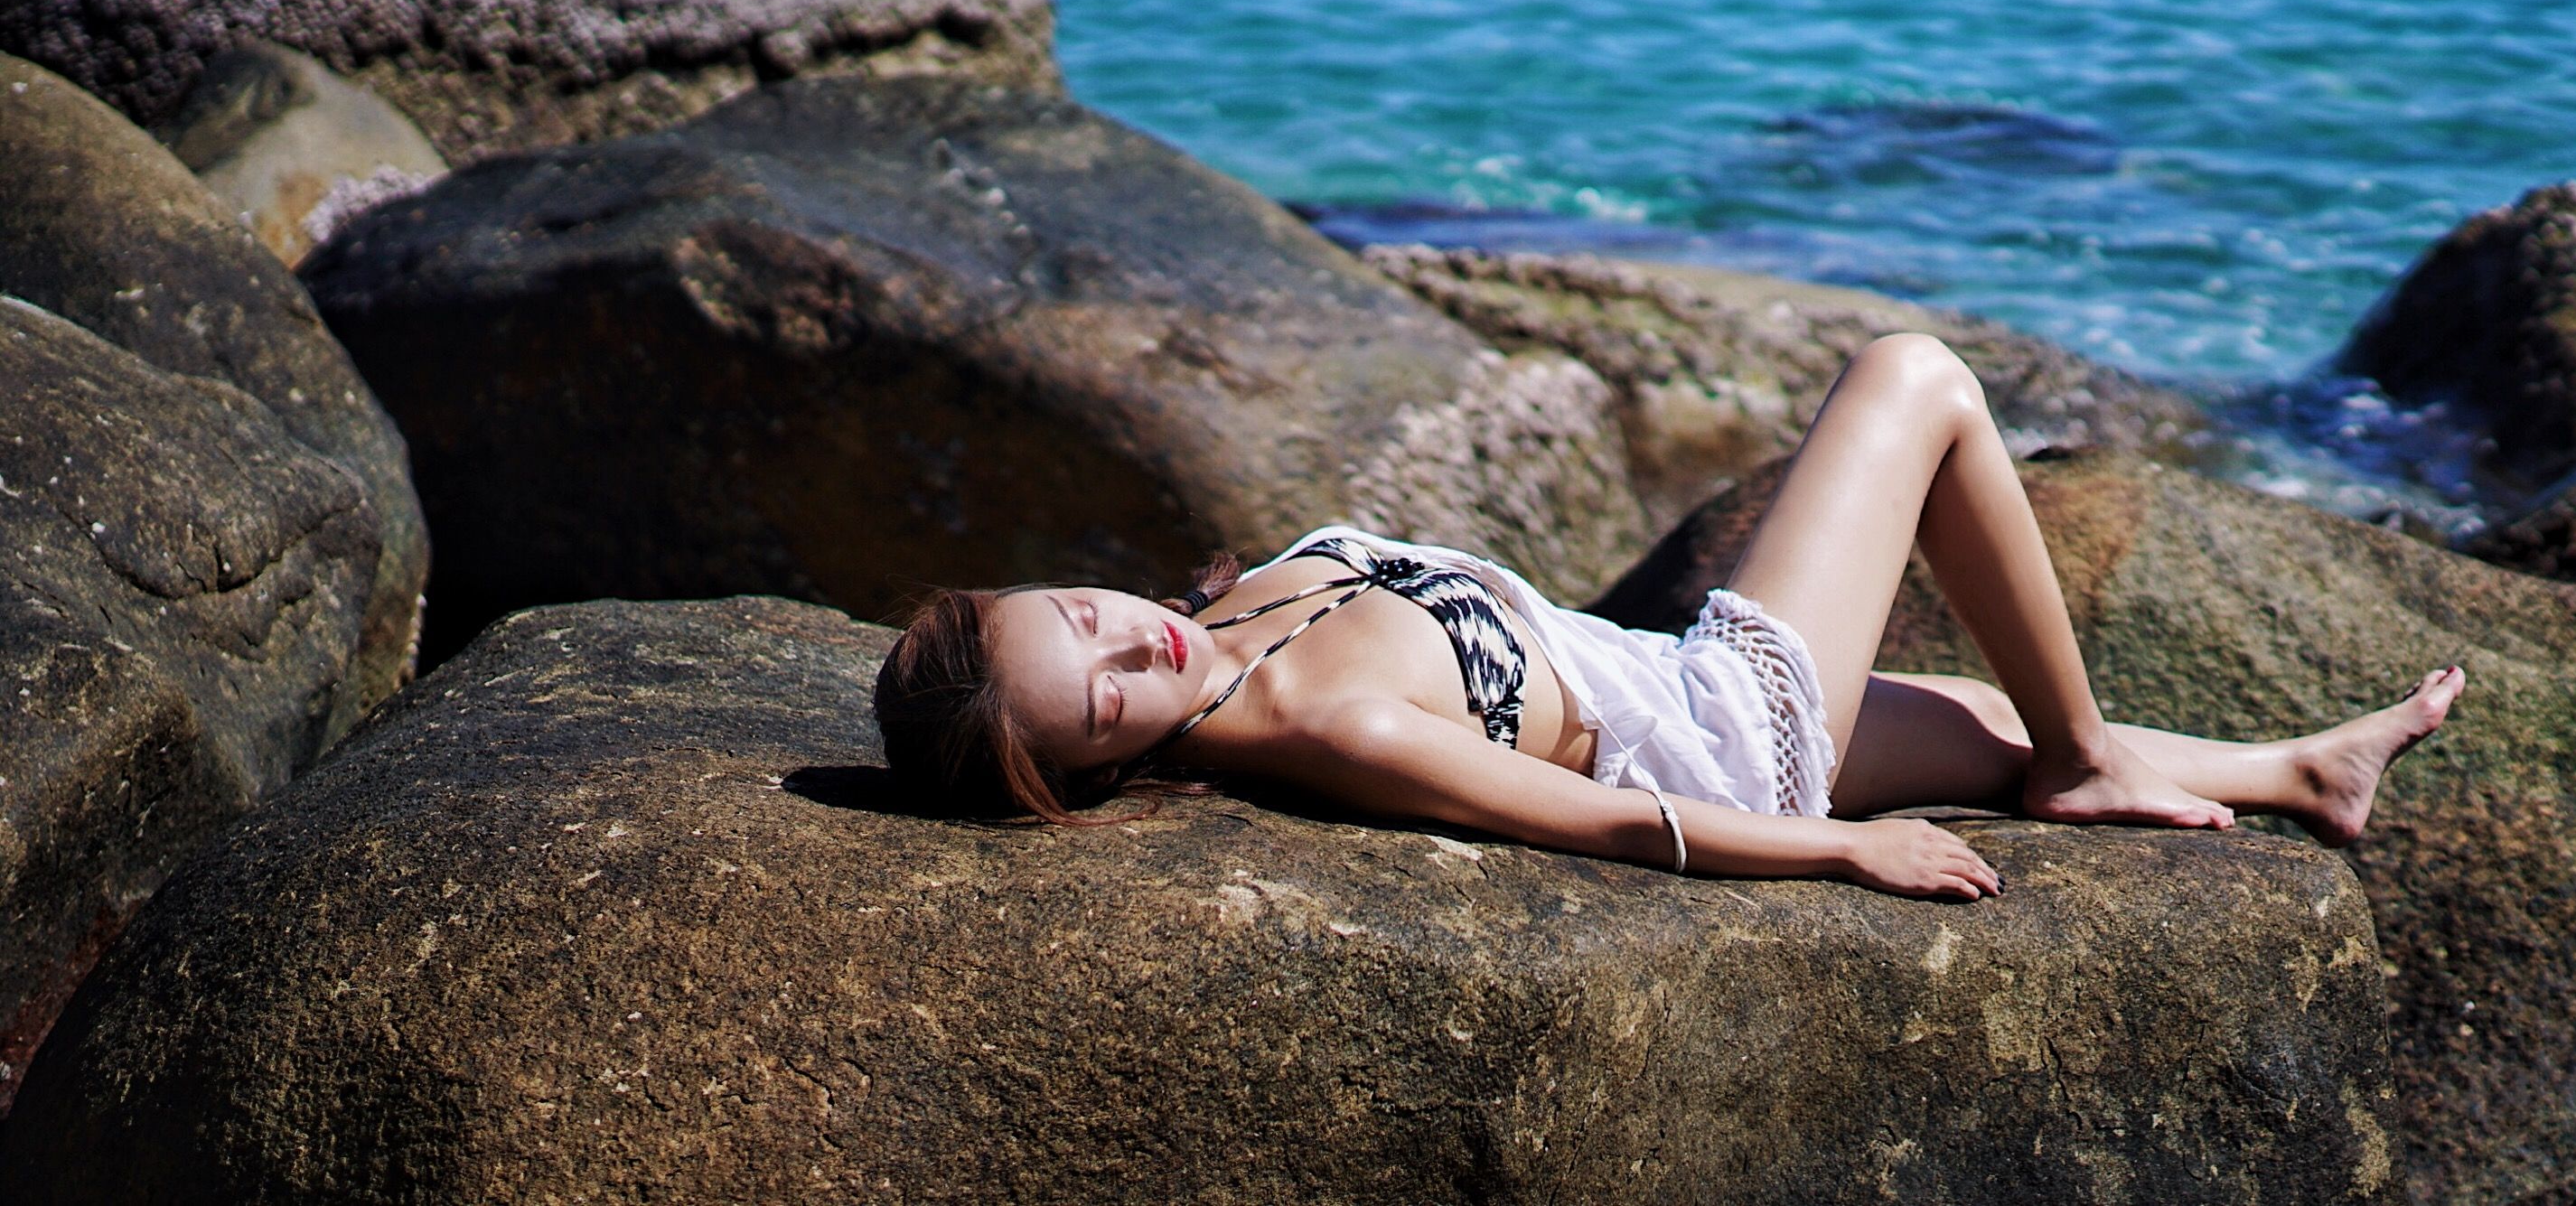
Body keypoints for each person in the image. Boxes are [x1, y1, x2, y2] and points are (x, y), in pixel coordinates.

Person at [877, 333, 2467, 900]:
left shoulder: (1231, 619)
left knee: (1968, 738)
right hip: (1714, 745)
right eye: (1094, 696)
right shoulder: (1324, 725)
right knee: (1915, 378)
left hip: (1644, 665)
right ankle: (2090, 756)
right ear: (1099, 770)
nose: (1123, 646)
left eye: (1081, 615)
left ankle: (2304, 772)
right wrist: (1847, 846)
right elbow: (1615, 830)